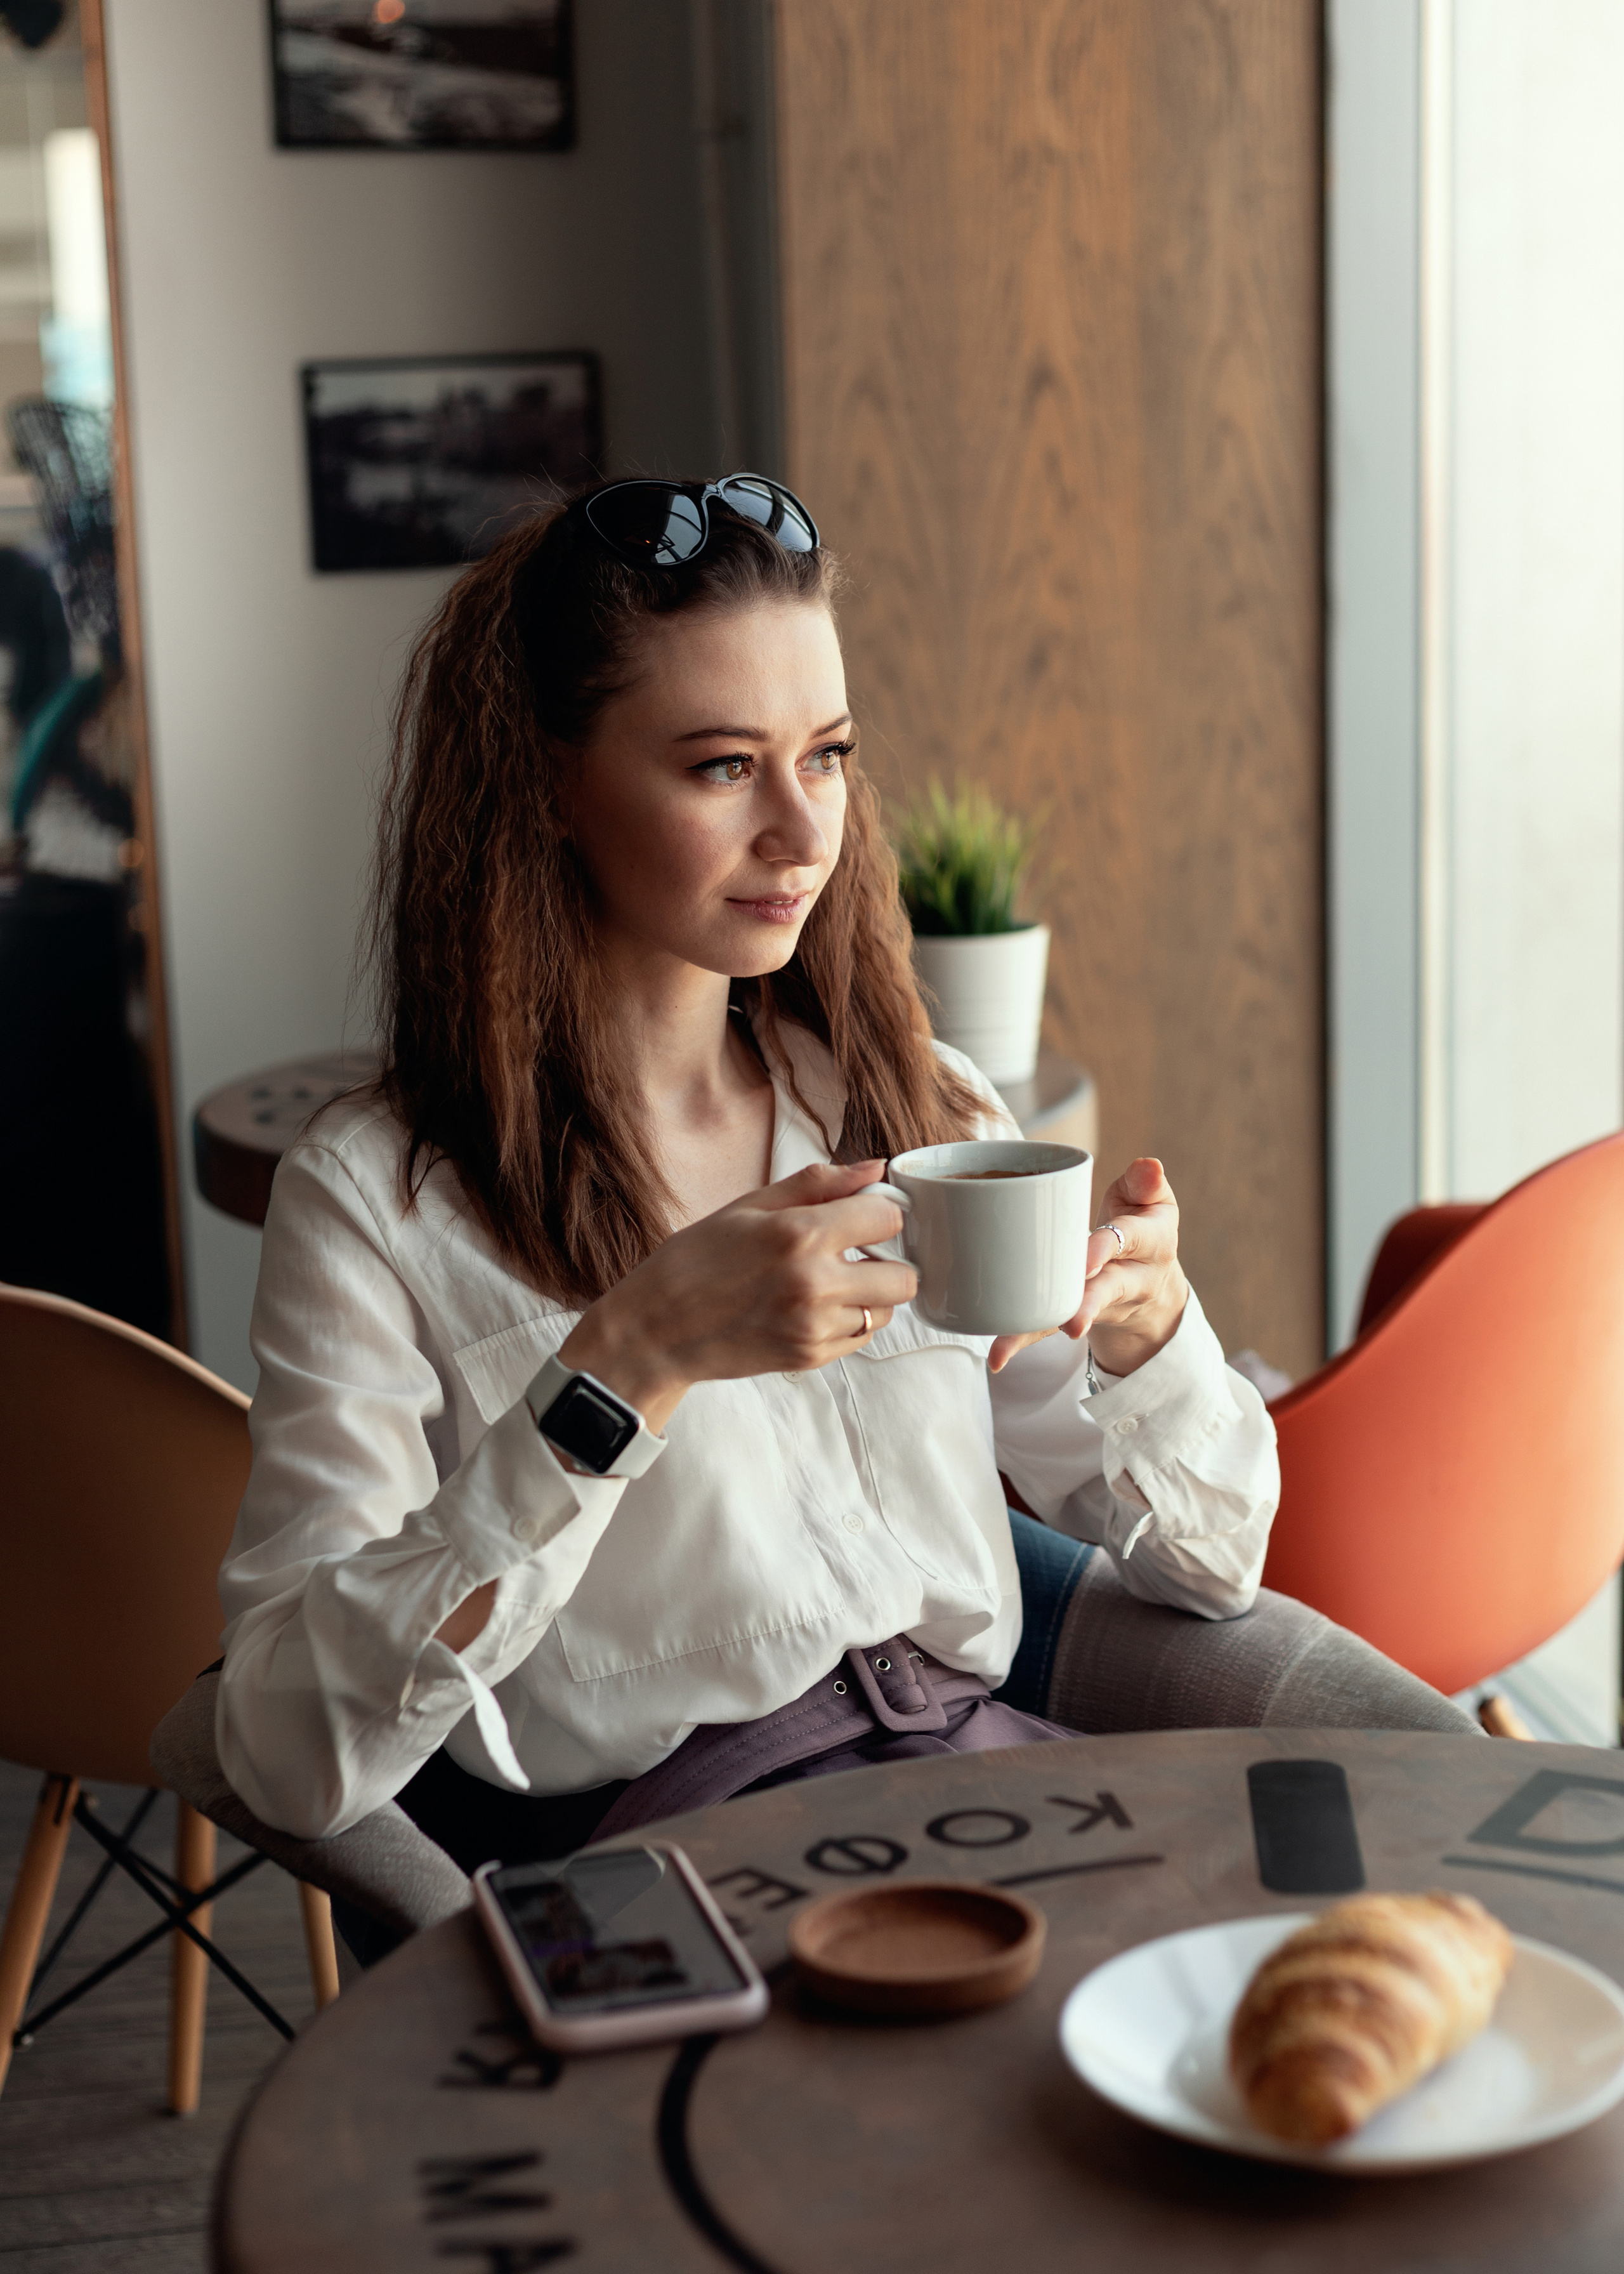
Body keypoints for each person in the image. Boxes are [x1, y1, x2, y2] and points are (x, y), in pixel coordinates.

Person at [216, 475, 1278, 1944]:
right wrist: (623, 1371)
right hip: (694, 1874)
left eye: (827, 755)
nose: (801, 832)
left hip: (991, 1797)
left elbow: (1214, 1567)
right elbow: (279, 1743)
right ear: (545, 781)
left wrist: (1145, 1340)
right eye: (723, 766)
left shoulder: (918, 1107)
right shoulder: (378, 1203)